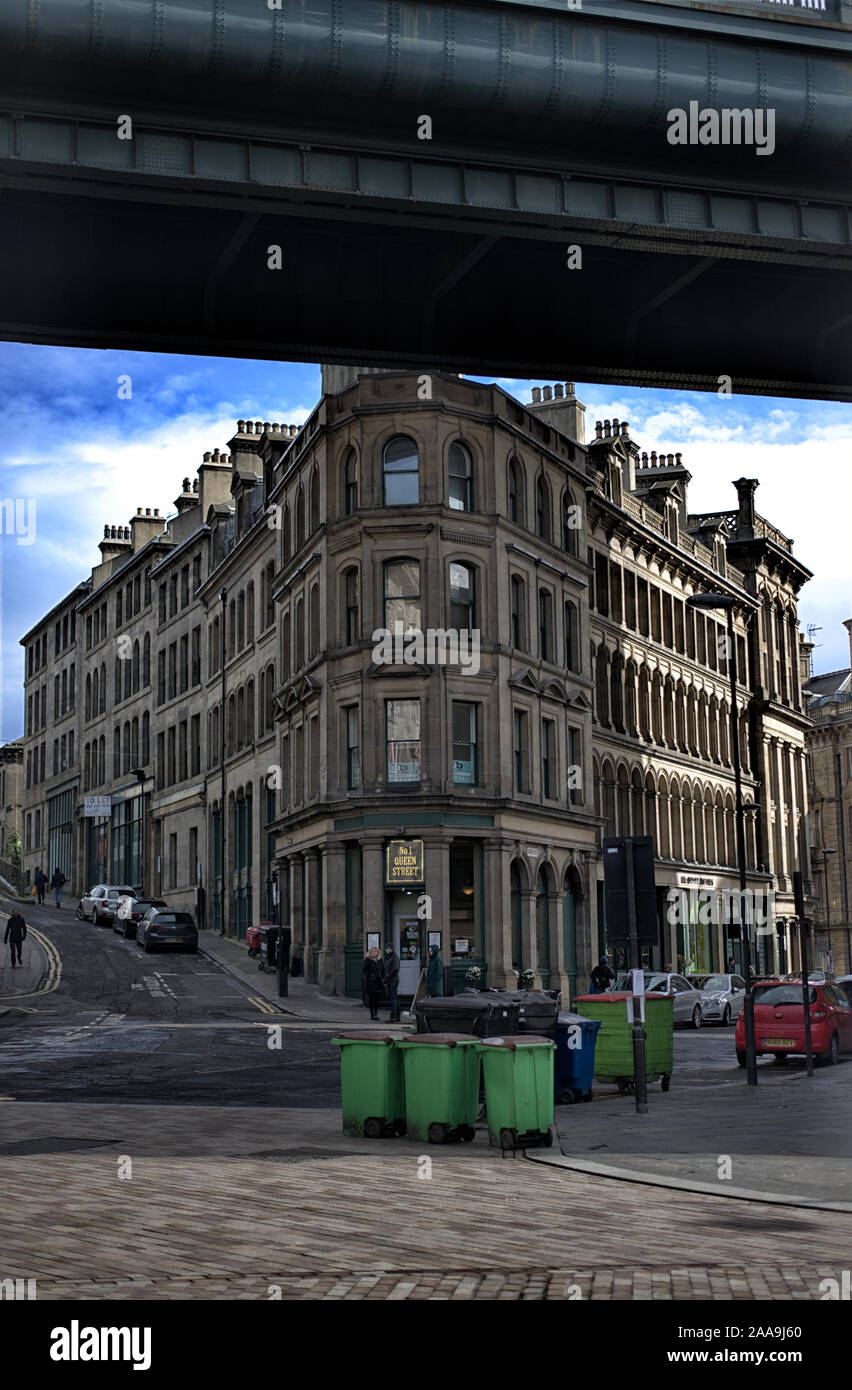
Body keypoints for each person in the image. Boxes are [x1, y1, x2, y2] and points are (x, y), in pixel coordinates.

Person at [362, 947, 384, 1021]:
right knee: (372, 999)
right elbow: (364, 970)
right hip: (371, 982)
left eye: (375, 951)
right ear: (370, 953)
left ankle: (376, 1014)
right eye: (372, 951)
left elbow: (383, 970)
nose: (374, 953)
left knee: (377, 999)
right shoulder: (368, 960)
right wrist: (370, 976)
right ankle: (372, 1014)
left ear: (378, 953)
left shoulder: (380, 960)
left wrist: (383, 979)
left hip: (378, 982)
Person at [383, 942, 401, 1023]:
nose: (386, 950)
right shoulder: (391, 957)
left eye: (387, 948)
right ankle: (397, 1016)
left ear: (390, 949)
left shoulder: (394, 957)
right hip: (392, 980)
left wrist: (387, 977)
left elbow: (395, 968)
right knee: (395, 998)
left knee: (393, 999)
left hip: (393, 980)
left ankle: (393, 1017)